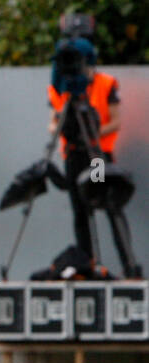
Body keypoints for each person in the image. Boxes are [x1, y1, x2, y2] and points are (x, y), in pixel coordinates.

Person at [46, 37, 139, 276]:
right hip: (72, 156)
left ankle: (129, 266)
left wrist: (91, 132)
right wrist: (67, 129)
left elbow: (115, 122)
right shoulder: (59, 87)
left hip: (97, 155)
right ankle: (86, 264)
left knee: (106, 203)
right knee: (80, 211)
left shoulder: (105, 84)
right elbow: (52, 123)